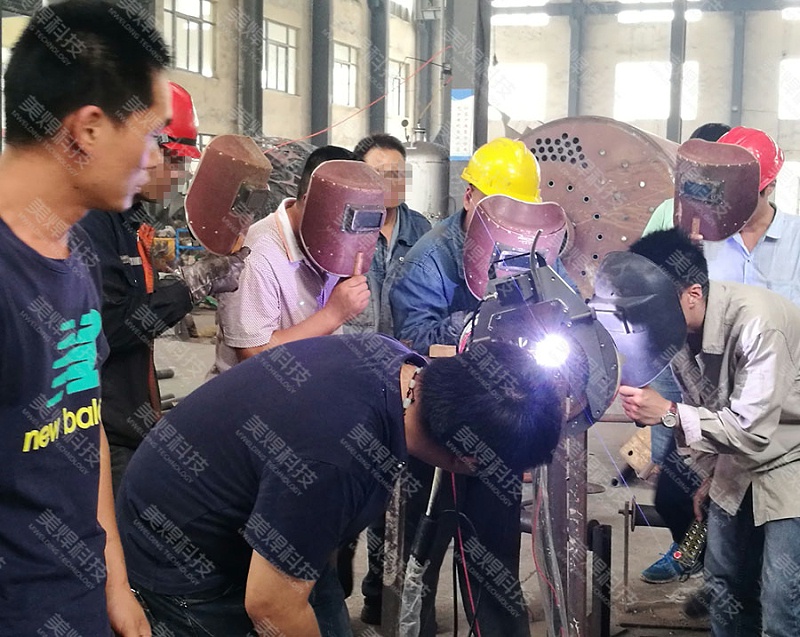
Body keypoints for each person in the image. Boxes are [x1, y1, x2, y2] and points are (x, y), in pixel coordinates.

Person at [116, 335, 564, 636]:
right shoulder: (337, 461)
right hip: (186, 555)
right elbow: (270, 606)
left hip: (262, 520)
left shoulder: (399, 363)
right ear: (468, 459)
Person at [0, 2, 171, 634]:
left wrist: (114, 582)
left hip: (79, 599)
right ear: (89, 129)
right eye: (151, 133)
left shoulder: (73, 255)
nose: (155, 158)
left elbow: (83, 419)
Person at [389, 138, 548, 637]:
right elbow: (413, 338)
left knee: (493, 552)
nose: (510, 220)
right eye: (500, 207)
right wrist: (477, 323)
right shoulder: (429, 260)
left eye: (520, 210)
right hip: (433, 421)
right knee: (421, 546)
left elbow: (557, 306)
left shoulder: (533, 244)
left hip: (498, 421)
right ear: (469, 197)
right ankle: (410, 625)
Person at [619, 228, 800, 636]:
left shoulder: (759, 324)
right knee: (724, 583)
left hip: (791, 455)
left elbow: (750, 431)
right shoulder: (679, 334)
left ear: (693, 294)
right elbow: (704, 405)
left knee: (782, 597)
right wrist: (710, 475)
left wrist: (668, 413)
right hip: (736, 457)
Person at [640, 126, 798, 588]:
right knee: (679, 491)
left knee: (773, 531)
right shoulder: (699, 241)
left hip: (783, 406)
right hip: (712, 390)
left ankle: (754, 589)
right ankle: (702, 559)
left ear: (766, 187)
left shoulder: (797, 241)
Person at [79, 82, 248, 494]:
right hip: (99, 429)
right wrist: (191, 285)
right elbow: (110, 326)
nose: (178, 173)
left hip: (131, 420)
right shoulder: (90, 220)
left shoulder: (129, 218)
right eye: (173, 158)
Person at [212, 146, 369, 374]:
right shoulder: (257, 255)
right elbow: (254, 356)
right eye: (341, 215)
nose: (346, 230)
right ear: (310, 201)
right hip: (256, 393)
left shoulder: (327, 242)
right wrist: (334, 314)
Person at [345, 133, 431, 336]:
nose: (390, 182)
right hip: (354, 348)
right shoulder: (344, 229)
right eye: (379, 173)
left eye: (397, 174)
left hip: (406, 347)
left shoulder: (421, 230)